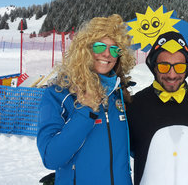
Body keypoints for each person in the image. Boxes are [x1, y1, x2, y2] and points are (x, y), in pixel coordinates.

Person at [37, 15, 136, 185]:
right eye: (100, 46)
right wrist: (86, 110)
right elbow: (51, 158)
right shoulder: (59, 93)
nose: (107, 54)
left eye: (114, 49)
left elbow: (132, 147)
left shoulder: (118, 93)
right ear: (85, 49)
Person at [126, 31, 188, 185]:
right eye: (164, 66)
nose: (172, 75)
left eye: (179, 67)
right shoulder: (134, 104)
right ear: (153, 66)